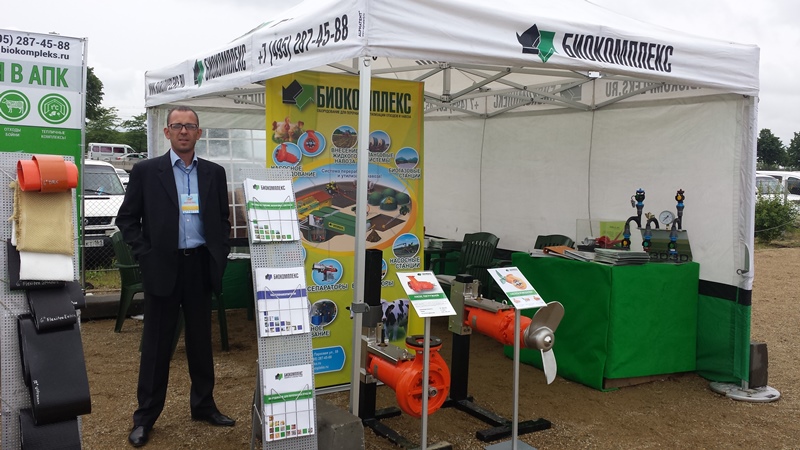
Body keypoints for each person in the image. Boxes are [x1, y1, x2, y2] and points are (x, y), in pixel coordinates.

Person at [116, 106, 234, 447]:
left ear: (199, 133)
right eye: (177, 126)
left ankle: (204, 405)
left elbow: (222, 219)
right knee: (156, 346)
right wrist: (146, 254)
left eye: (190, 126)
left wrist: (220, 252)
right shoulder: (146, 171)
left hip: (200, 266)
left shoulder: (214, 173)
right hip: (163, 267)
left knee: (200, 342)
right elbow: (127, 219)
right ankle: (145, 417)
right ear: (166, 132)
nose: (184, 131)